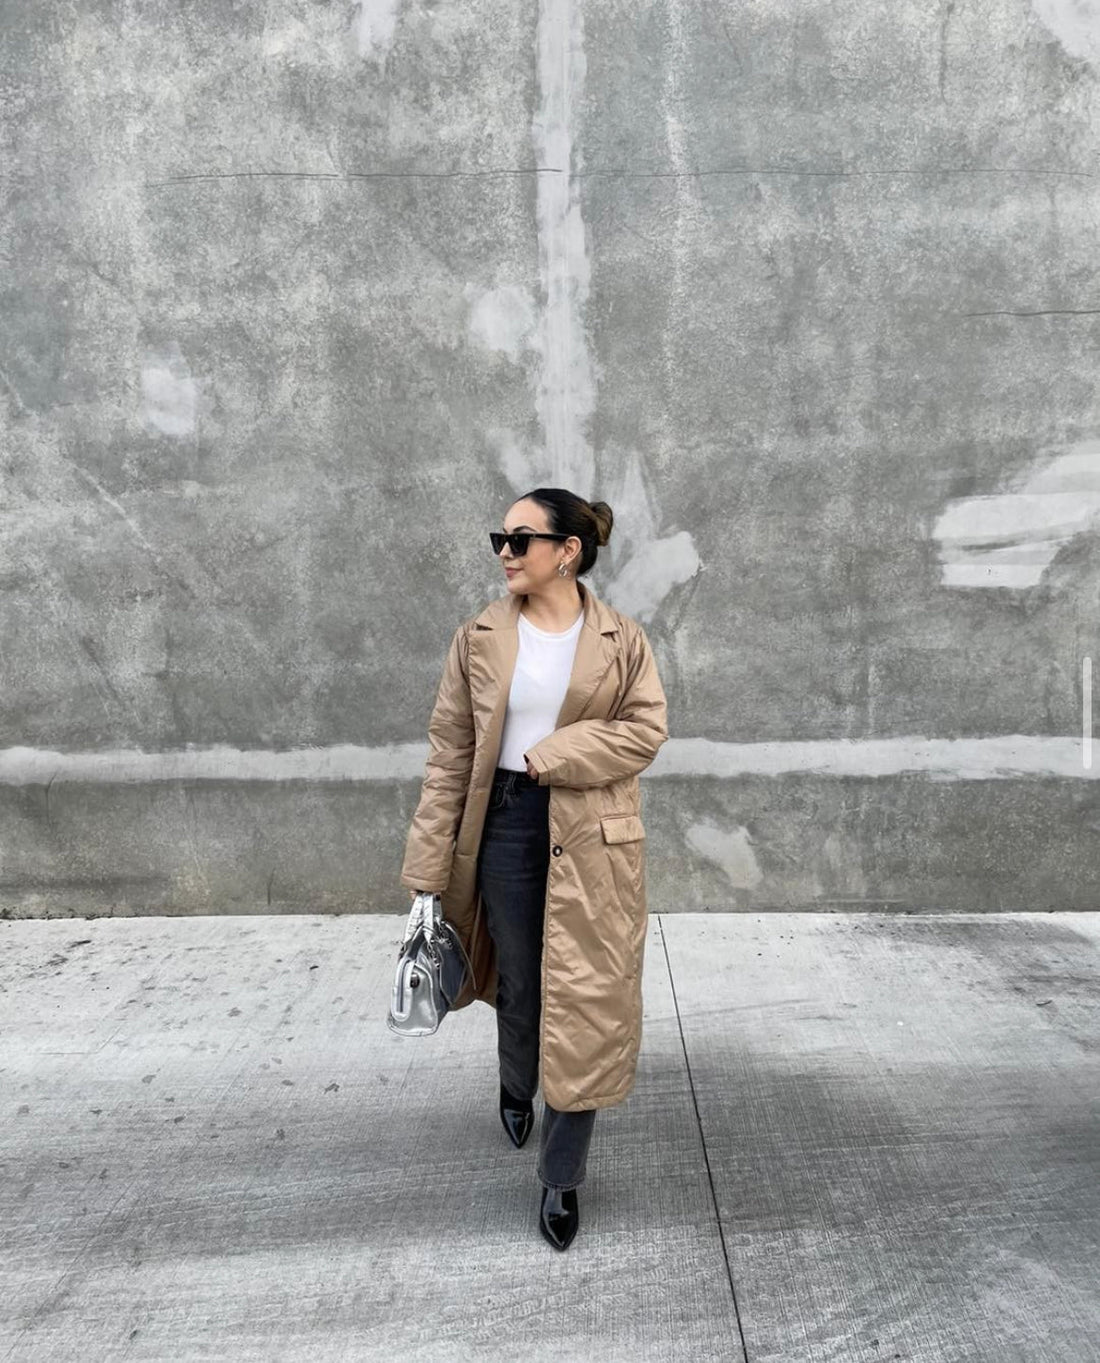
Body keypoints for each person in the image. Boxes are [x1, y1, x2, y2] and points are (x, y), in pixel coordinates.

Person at [399, 487, 669, 1250]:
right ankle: (516, 1083)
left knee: (586, 992)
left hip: (594, 832)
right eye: (501, 539)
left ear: (568, 550)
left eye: (520, 539)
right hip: (506, 825)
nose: (505, 552)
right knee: (519, 980)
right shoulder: (478, 637)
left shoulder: (623, 639)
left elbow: (645, 729)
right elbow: (450, 755)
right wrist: (426, 873)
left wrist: (557, 751)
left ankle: (561, 1174)